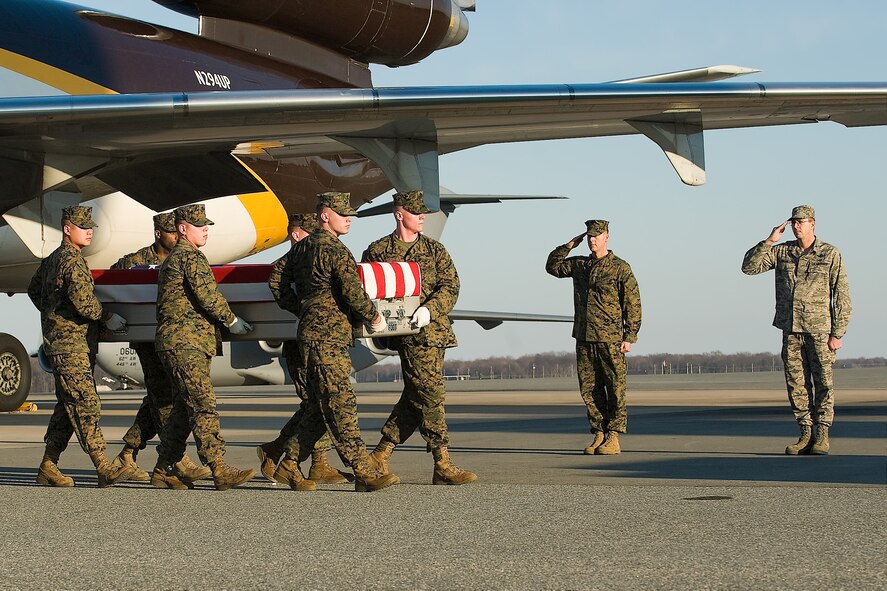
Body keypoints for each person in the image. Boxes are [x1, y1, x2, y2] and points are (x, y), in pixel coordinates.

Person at [269, 191, 398, 492]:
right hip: (328, 338)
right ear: (325, 215)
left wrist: (301, 306)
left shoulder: (301, 249)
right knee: (341, 402)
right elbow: (353, 291)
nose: (349, 219)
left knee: (317, 406)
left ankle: (288, 464)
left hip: (311, 334)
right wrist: (373, 316)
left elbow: (275, 278)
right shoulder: (335, 250)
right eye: (343, 214)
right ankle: (364, 470)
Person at [363, 190, 476, 485]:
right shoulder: (378, 251)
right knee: (431, 394)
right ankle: (442, 462)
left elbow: (451, 286)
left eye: (423, 211)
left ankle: (381, 453)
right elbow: (368, 290)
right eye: (416, 212)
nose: (422, 216)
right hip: (407, 336)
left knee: (417, 395)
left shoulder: (435, 250)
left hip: (434, 332)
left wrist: (430, 309)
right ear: (399, 214)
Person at [150, 204, 257, 490]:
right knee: (202, 404)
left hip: (181, 342)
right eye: (199, 225)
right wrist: (232, 320)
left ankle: (163, 469)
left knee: (185, 409)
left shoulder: (177, 257)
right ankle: (219, 468)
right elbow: (208, 296)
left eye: (206, 224)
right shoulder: (189, 257)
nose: (205, 229)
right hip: (185, 343)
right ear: (183, 229)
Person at [27, 205, 134, 487]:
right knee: (85, 403)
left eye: (90, 227)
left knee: (67, 406)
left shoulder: (52, 259)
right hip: (71, 345)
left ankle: (48, 466)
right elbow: (86, 303)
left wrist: (52, 313)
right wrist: (107, 317)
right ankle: (103, 466)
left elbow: (34, 290)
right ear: (67, 229)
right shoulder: (72, 261)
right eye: (82, 226)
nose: (89, 232)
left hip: (63, 344)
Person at [742, 205, 851, 455]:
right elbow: (749, 267)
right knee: (796, 384)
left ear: (813, 224)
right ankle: (805, 432)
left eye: (801, 222)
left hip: (819, 329)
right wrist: (769, 240)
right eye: (793, 222)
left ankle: (822, 434)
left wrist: (838, 332)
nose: (797, 226)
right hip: (790, 329)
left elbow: (841, 294)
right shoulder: (782, 252)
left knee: (823, 382)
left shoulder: (830, 253)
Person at [108, 212, 210, 482]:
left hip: (176, 338)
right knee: (163, 396)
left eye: (179, 233)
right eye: (171, 233)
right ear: (158, 234)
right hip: (147, 340)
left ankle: (128, 452)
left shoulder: (184, 259)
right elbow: (108, 286)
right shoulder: (134, 262)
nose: (177, 237)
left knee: (162, 396)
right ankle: (177, 460)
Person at [257, 213, 351, 488]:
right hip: (300, 343)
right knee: (318, 402)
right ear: (297, 235)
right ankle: (280, 452)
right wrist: (301, 308)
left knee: (318, 401)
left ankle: (297, 457)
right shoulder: (290, 262)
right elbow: (276, 283)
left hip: (316, 338)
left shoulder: (311, 259)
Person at [545, 219, 641, 455]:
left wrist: (630, 335)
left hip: (611, 338)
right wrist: (568, 246)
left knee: (615, 387)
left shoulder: (620, 267)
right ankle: (598, 432)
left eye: (596, 236)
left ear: (607, 236)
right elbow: (553, 267)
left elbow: (633, 303)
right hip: (584, 336)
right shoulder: (580, 265)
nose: (592, 240)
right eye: (589, 237)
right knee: (590, 388)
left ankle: (614, 436)